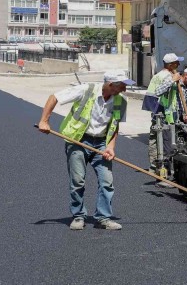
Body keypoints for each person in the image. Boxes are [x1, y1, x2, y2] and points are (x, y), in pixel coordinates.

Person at [38, 70, 135, 231]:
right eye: (123, 86)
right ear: (111, 85)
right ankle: (78, 216)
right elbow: (54, 97)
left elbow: (115, 124)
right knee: (78, 181)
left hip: (101, 144)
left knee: (107, 181)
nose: (125, 89)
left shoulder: (121, 101)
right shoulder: (86, 90)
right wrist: (44, 121)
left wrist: (111, 146)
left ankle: (103, 218)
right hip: (78, 140)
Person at [142, 53, 183, 183]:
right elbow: (158, 92)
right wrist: (172, 80)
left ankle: (155, 167)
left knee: (155, 140)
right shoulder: (166, 76)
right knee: (165, 142)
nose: (179, 65)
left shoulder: (158, 75)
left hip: (157, 113)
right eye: (177, 63)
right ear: (171, 65)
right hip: (164, 114)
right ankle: (163, 169)